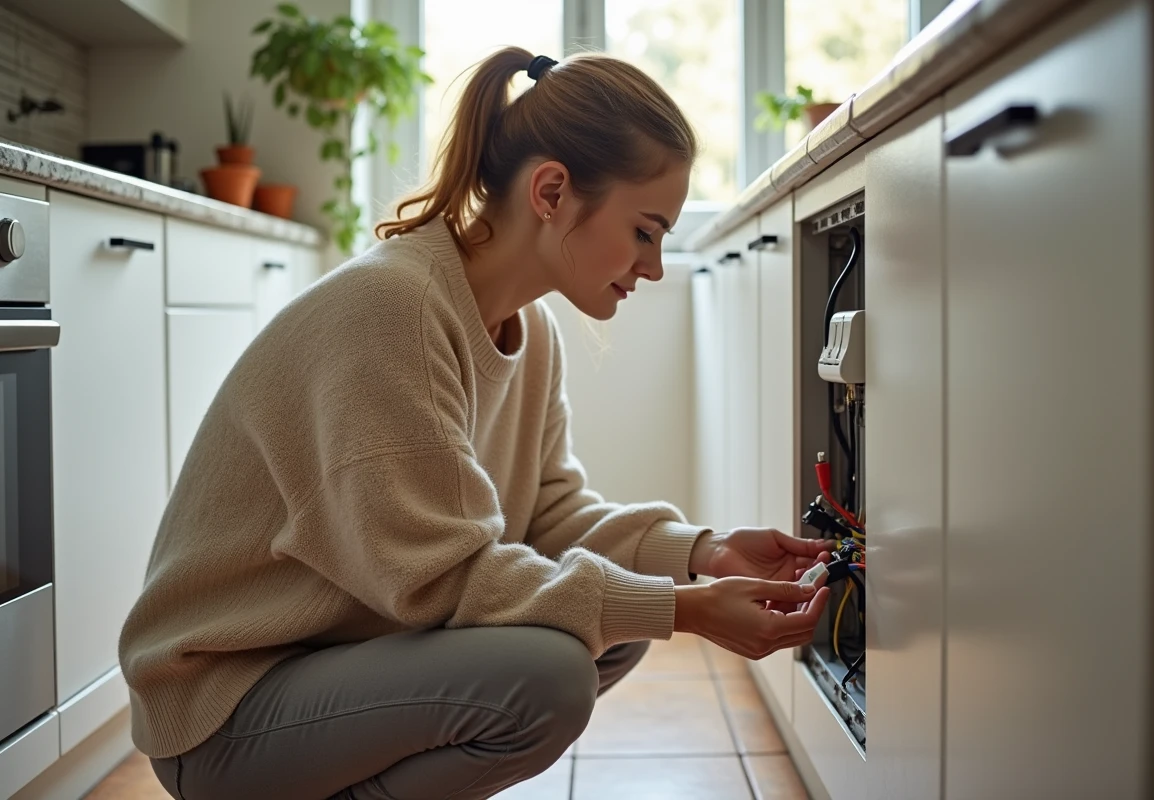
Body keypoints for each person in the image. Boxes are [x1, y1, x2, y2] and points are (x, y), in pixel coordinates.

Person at [118, 47, 833, 800]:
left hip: (330, 656)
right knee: (555, 672)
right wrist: (681, 608)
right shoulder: (392, 311)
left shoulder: (528, 331)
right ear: (552, 190)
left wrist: (705, 554)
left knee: (610, 629)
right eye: (646, 231)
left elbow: (549, 513)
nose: (653, 266)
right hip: (226, 702)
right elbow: (440, 577)